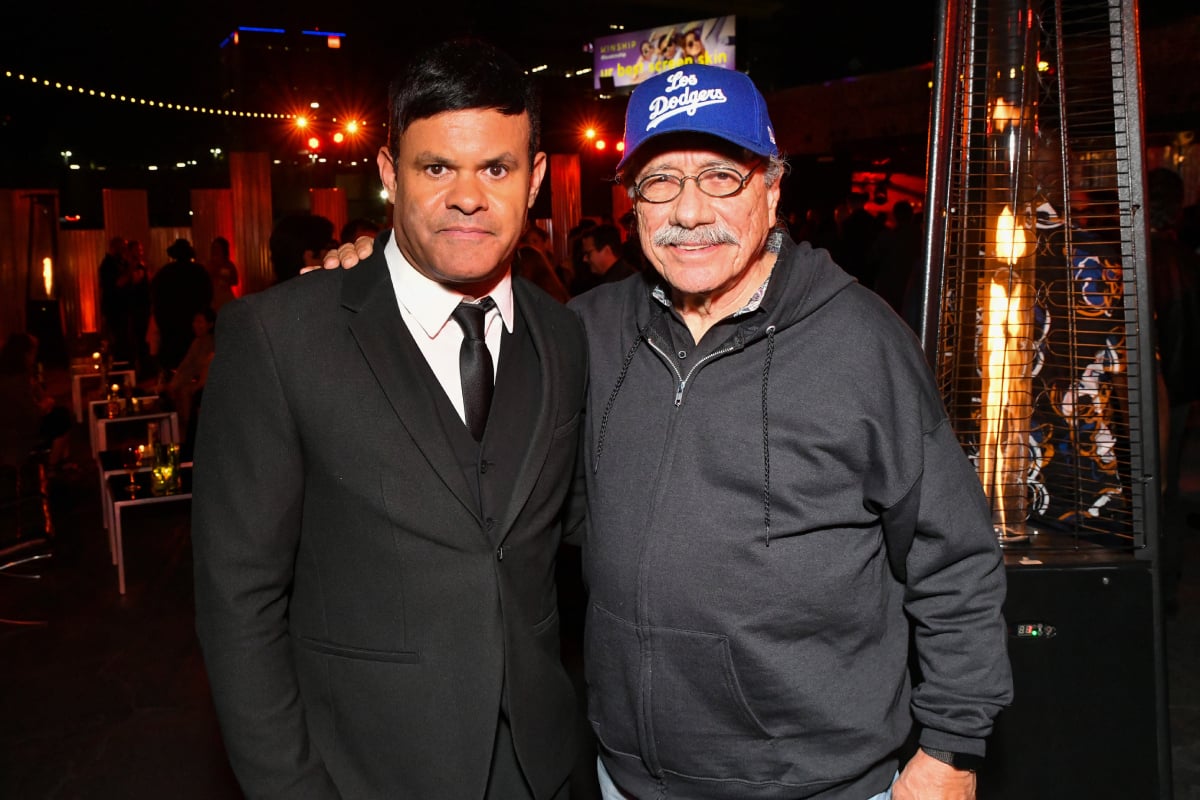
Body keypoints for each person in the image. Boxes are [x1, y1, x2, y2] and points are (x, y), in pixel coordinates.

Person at [328, 64, 1013, 800]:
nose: (689, 212)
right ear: (632, 203)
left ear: (772, 189)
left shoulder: (860, 342)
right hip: (628, 780)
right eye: (660, 182)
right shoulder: (582, 333)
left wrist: (950, 747)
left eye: (721, 176)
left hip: (820, 783)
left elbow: (955, 559)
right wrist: (385, 272)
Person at [193, 38, 588, 800]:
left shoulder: (563, 335)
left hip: (541, 769)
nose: (467, 196)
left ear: (535, 178)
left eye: (496, 168)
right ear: (387, 173)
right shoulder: (279, 339)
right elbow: (237, 600)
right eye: (436, 167)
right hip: (362, 773)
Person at [150, 238, 213, 372]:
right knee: (192, 360)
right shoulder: (199, 272)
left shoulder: (164, 273)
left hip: (171, 326)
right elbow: (207, 296)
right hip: (192, 324)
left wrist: (162, 320)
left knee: (173, 362)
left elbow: (155, 298)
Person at [167, 307, 216, 453]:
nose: (196, 325)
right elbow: (186, 366)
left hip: (211, 385)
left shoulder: (213, 343)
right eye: (195, 321)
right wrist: (174, 384)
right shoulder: (197, 343)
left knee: (187, 392)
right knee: (179, 390)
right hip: (200, 383)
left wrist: (194, 385)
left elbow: (207, 371)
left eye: (200, 322)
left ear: (210, 324)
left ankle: (191, 434)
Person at [206, 236, 240, 312]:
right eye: (213, 247)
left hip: (225, 295)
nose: (215, 250)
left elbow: (235, 281)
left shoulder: (229, 264)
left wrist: (227, 280)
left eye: (217, 247)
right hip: (213, 297)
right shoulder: (209, 264)